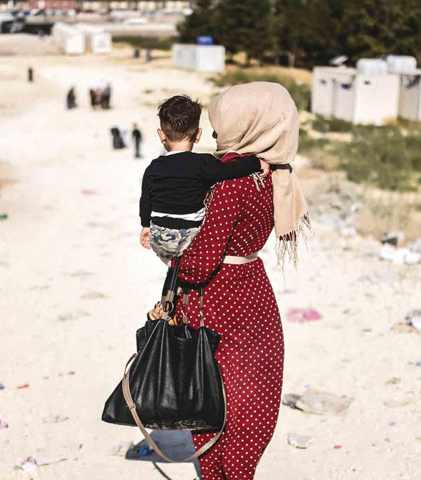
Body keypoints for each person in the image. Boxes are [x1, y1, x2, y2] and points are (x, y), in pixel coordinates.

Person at [176, 83, 309, 479]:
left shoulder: (230, 180)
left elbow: (200, 263)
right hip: (254, 289)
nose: (215, 133)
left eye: (221, 124)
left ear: (247, 123)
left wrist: (168, 253)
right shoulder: (275, 174)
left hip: (217, 296)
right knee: (251, 393)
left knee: (210, 394)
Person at [138, 95, 268, 263]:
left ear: (161, 135)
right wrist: (256, 162)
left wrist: (145, 226)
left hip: (159, 238)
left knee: (171, 256)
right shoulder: (203, 163)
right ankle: (179, 266)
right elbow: (231, 170)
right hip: (190, 236)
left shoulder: (153, 167)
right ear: (198, 135)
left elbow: (146, 200)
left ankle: (171, 264)